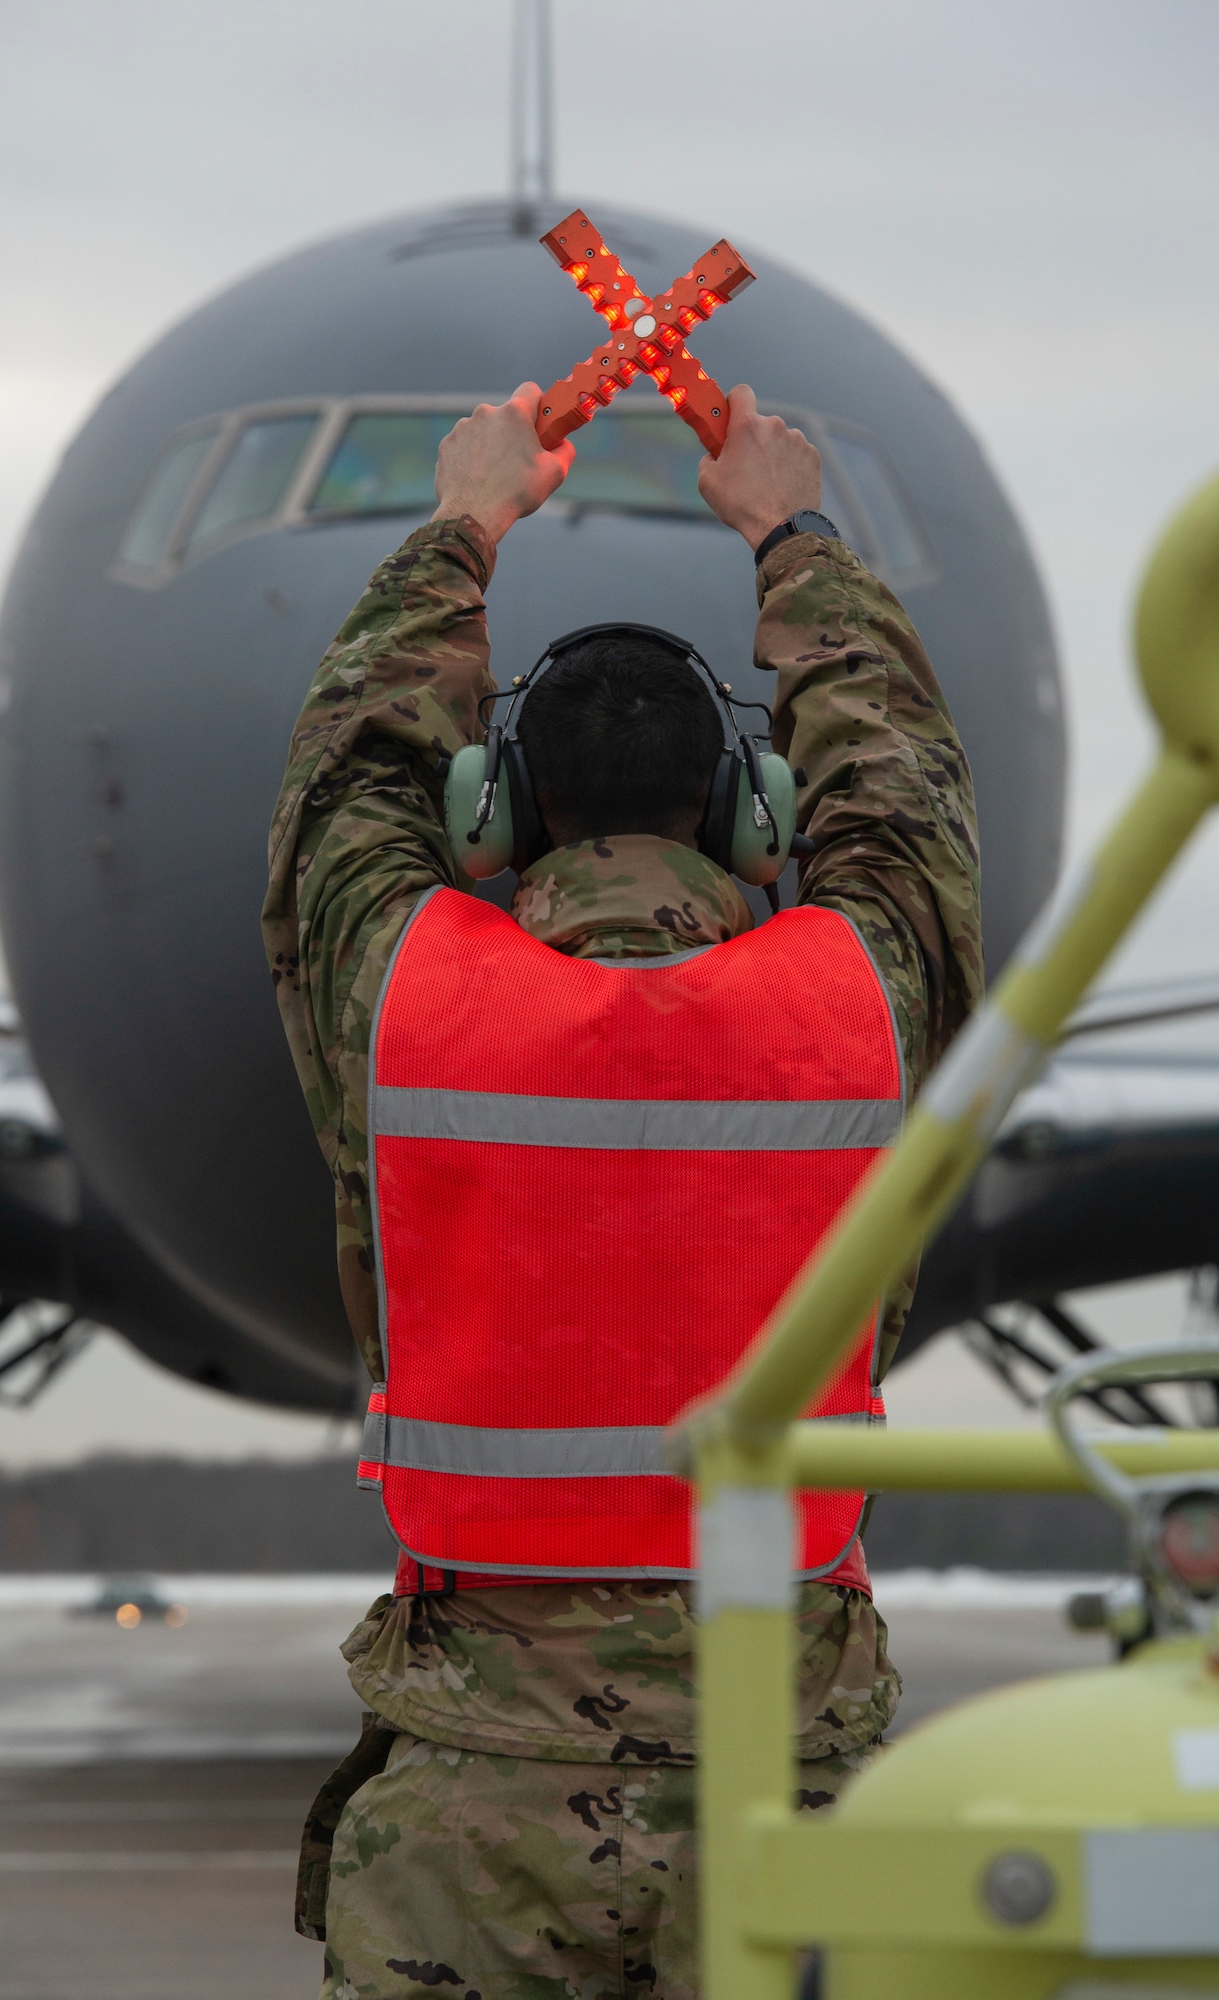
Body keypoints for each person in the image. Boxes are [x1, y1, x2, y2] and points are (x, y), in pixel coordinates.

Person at [263, 381, 982, 2000]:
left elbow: (346, 783)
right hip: (788, 1782)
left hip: (477, 1817)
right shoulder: (853, 999)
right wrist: (790, 534)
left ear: (495, 822)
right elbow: (903, 798)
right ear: (755, 819)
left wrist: (465, 520)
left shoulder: (411, 1003)